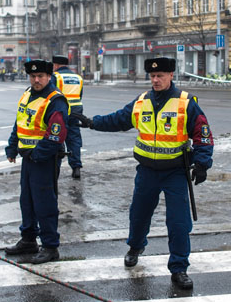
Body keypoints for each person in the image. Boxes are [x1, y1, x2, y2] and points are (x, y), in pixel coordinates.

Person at [74, 57, 214, 290]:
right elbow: (118, 119)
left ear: (171, 75)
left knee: (179, 222)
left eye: (160, 76)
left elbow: (203, 134)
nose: (156, 80)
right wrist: (91, 122)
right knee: (138, 214)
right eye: (152, 76)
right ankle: (135, 247)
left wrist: (202, 163)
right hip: (147, 171)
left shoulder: (185, 103)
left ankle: (179, 268)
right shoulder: (142, 102)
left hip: (175, 172)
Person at [4, 60, 69, 264]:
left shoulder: (55, 100)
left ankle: (50, 246)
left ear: (49, 77)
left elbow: (56, 135)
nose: (36, 80)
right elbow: (20, 122)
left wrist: (37, 154)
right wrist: (13, 146)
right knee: (27, 201)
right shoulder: (28, 94)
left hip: (45, 159)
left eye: (40, 76)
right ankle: (29, 239)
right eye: (33, 76)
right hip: (29, 158)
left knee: (45, 203)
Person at [50, 55, 84, 179]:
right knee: (74, 138)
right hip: (76, 111)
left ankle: (55, 168)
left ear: (56, 65)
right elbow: (79, 95)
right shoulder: (78, 77)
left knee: (57, 136)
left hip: (61, 111)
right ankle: (76, 167)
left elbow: (51, 94)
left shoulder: (56, 77)